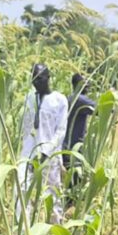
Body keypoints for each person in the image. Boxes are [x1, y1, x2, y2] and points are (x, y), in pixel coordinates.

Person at [18, 63, 68, 223]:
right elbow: (26, 128)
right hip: (27, 155)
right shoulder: (29, 98)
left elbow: (60, 131)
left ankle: (55, 231)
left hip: (49, 157)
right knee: (20, 190)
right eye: (33, 79)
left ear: (48, 78)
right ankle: (21, 232)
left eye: (39, 79)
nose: (36, 82)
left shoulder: (59, 100)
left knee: (52, 196)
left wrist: (45, 153)